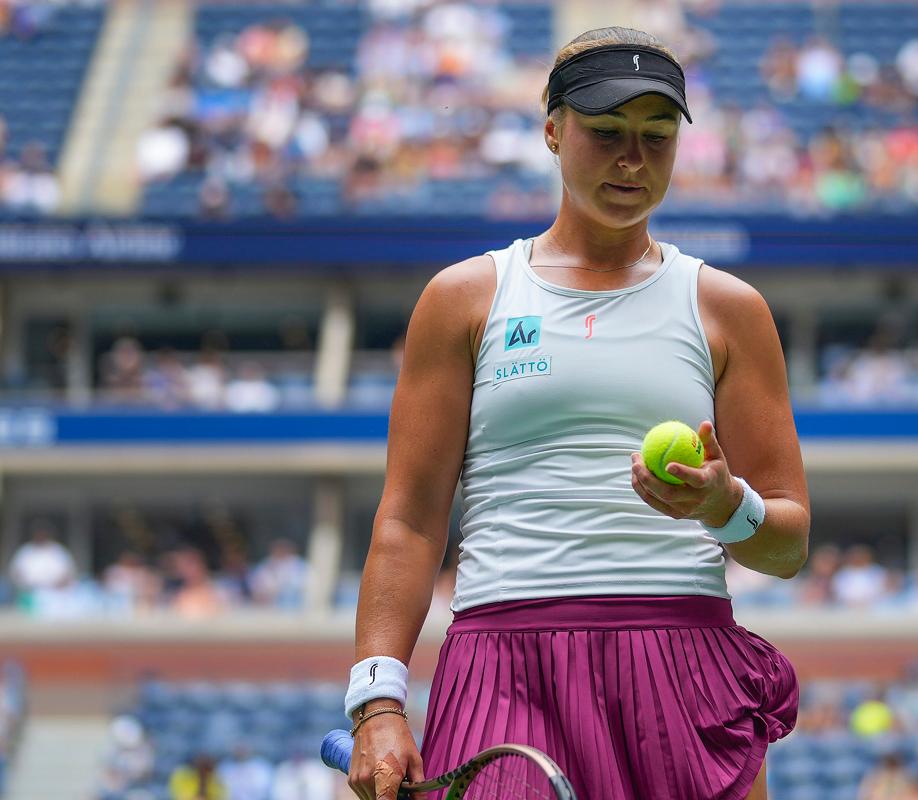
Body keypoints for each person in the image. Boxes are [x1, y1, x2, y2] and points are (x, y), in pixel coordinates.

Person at [345, 26, 810, 800]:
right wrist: (377, 700)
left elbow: (787, 546)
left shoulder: (730, 309)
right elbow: (410, 522)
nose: (633, 160)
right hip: (501, 667)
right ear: (553, 129)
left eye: (657, 138)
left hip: (683, 663)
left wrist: (725, 506)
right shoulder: (463, 298)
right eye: (605, 133)